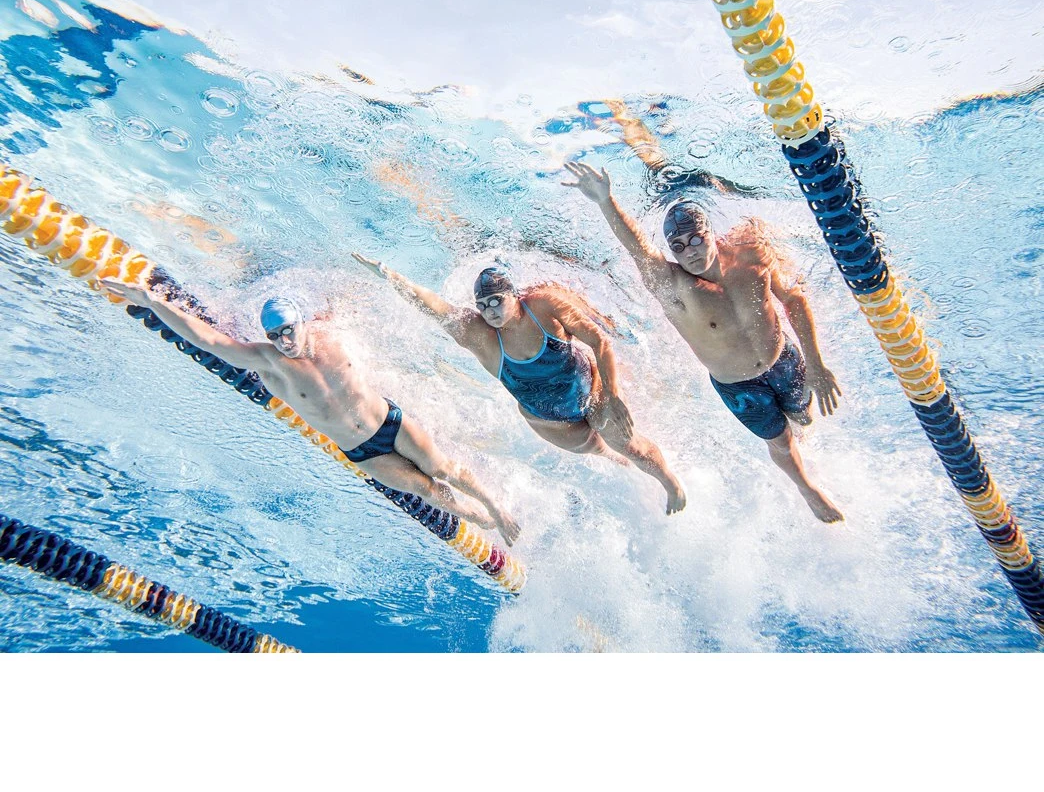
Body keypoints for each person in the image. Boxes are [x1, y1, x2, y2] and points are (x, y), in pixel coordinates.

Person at [99, 278, 520, 545]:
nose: (284, 340)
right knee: (426, 491)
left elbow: (353, 298)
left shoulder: (329, 331)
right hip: (363, 452)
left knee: (443, 468)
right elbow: (207, 341)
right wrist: (150, 301)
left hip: (390, 422)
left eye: (288, 329)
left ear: (301, 322)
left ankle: (498, 510)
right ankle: (481, 520)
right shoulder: (269, 362)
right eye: (275, 335)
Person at [562, 161, 844, 523]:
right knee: (780, 441)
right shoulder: (676, 288)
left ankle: (802, 440)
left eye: (696, 239)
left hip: (784, 359)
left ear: (711, 232)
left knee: (804, 418)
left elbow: (794, 300)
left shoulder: (752, 253)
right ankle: (807, 488)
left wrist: (816, 365)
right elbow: (639, 249)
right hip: (740, 386)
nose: (690, 252)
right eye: (678, 247)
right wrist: (606, 201)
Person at [351, 255, 687, 515]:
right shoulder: (481, 337)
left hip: (591, 391)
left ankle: (669, 482)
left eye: (496, 300)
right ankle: (629, 470)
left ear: (515, 295)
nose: (490, 311)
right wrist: (390, 276)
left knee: (626, 443)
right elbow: (436, 308)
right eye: (483, 306)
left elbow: (599, 341)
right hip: (550, 422)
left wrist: (613, 395)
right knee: (604, 451)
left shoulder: (544, 307)